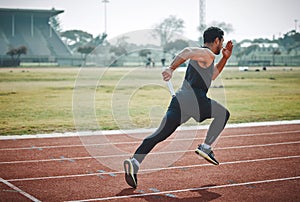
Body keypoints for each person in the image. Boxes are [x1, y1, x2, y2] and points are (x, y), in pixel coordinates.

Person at [124, 27, 233, 188]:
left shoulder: (206, 58)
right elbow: (187, 50)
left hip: (180, 100)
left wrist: (225, 58)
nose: (222, 45)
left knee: (160, 134)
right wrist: (171, 68)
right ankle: (206, 147)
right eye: (221, 42)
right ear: (216, 40)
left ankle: (135, 162)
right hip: (196, 101)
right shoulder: (207, 54)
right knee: (223, 114)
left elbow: (212, 76)